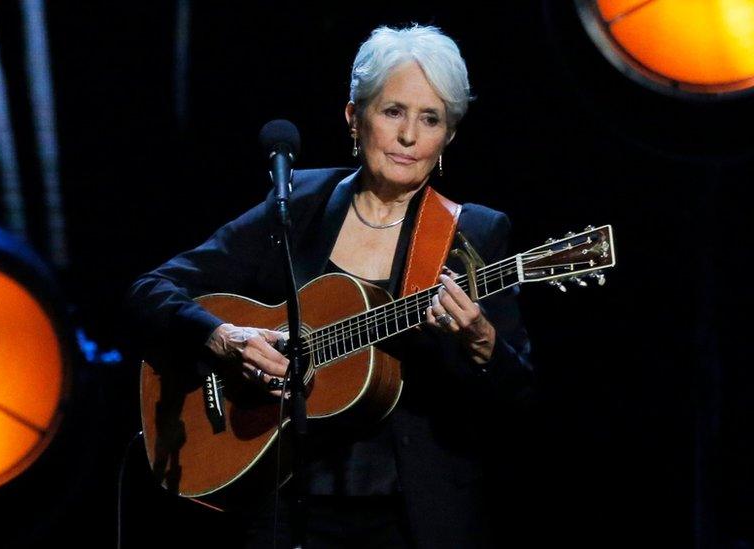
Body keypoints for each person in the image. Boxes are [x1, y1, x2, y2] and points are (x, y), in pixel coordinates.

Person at [127, 23, 534, 548]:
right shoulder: (297, 204)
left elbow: (521, 398)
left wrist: (482, 343)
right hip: (282, 508)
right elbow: (151, 290)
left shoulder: (472, 234)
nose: (409, 136)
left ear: (448, 136)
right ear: (354, 117)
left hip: (412, 519)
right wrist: (222, 338)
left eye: (430, 118)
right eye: (393, 112)